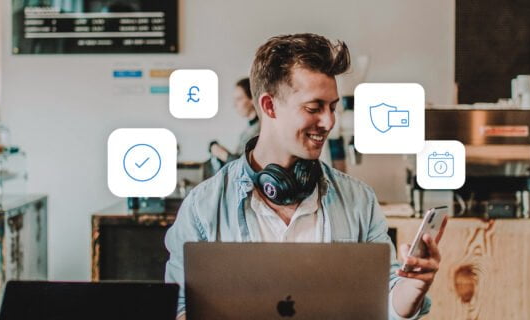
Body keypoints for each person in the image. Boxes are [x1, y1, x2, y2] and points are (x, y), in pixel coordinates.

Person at [165, 33, 445, 320]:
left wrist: (412, 287)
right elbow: (180, 308)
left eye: (333, 107)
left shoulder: (359, 200)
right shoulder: (202, 207)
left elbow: (385, 302)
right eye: (314, 108)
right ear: (269, 106)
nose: (328, 122)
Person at [209, 78, 261, 163]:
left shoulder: (259, 130)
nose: (234, 105)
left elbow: (245, 167)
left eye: (239, 99)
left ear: (252, 98)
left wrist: (221, 153)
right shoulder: (250, 128)